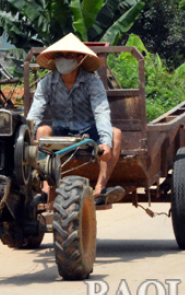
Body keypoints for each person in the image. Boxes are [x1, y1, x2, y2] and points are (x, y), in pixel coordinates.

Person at [26, 33, 124, 205]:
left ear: (80, 59)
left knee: (115, 135)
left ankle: (100, 190)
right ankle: (45, 190)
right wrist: (25, 136)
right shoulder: (46, 83)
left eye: (70, 55)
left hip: (88, 131)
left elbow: (101, 113)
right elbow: (35, 113)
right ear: (55, 59)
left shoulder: (92, 83)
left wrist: (105, 143)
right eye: (61, 55)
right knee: (42, 131)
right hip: (61, 132)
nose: (65, 59)